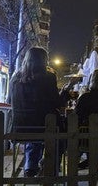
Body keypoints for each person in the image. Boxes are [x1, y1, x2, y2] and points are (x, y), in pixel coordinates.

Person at [10, 47, 75, 177]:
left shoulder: (15, 78)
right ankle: (48, 166)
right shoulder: (48, 77)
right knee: (64, 138)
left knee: (36, 133)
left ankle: (30, 167)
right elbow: (57, 103)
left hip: (19, 127)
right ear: (44, 60)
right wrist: (67, 91)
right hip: (44, 126)